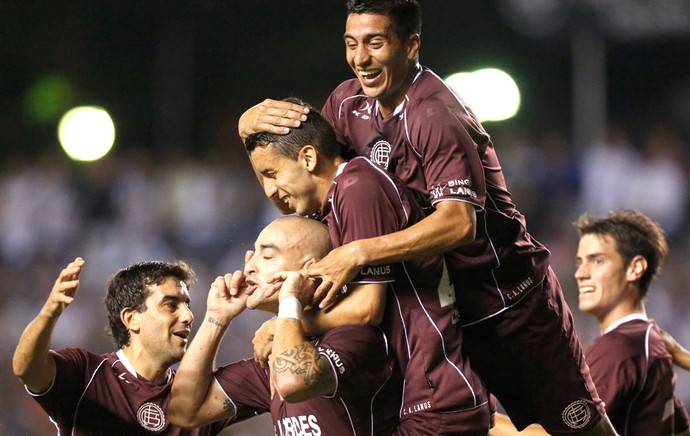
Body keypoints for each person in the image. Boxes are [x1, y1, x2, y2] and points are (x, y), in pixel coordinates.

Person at [237, 1, 616, 434]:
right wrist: (247, 123)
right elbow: (314, 168)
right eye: (351, 43)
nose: (361, 57)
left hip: (509, 306)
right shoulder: (346, 104)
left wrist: (355, 255)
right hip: (436, 314)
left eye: (375, 42)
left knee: (580, 429)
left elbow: (459, 223)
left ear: (411, 45)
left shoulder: (434, 114)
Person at [238, 98, 492, 434]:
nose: (270, 189)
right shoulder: (332, 203)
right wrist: (244, 122)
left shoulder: (356, 187)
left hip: (434, 397)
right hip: (418, 396)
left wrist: (289, 321)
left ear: (309, 158)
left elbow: (366, 309)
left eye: (272, 174)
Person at [168, 216, 402, 435]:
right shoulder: (272, 355)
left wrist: (290, 300)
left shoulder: (356, 338)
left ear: (309, 270)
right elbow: (184, 411)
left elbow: (292, 382)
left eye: (267, 257)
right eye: (252, 256)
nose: (249, 267)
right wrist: (217, 318)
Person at [491, 209, 690, 435]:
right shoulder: (651, 342)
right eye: (580, 262)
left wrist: (480, 420)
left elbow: (575, 433)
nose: (581, 273)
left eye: (597, 261)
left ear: (635, 268)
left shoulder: (620, 347)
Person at [12, 258, 230, 435]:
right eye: (171, 305)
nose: (188, 316)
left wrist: (266, 329)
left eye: (187, 305)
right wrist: (49, 313)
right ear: (131, 318)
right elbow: (26, 368)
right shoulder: (87, 373)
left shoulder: (197, 394)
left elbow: (261, 382)